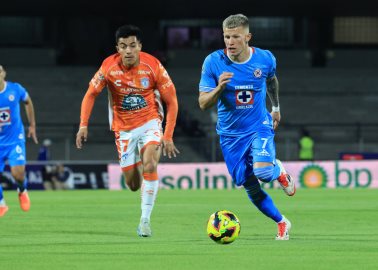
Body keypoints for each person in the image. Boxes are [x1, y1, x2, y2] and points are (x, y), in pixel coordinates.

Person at [76, 25, 179, 237]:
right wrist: (83, 124)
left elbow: (172, 101)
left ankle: (145, 220)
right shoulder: (108, 67)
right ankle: (143, 175)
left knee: (150, 163)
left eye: (133, 45)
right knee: (132, 184)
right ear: (118, 48)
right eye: (123, 46)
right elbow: (90, 94)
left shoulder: (153, 66)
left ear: (140, 46)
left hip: (150, 122)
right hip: (123, 130)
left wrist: (167, 135)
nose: (129, 50)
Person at [198, 14, 296, 240]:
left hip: (258, 125)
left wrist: (276, 107)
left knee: (263, 171)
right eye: (226, 37)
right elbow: (203, 103)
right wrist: (219, 87)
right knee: (250, 186)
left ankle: (278, 171)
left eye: (235, 37)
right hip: (230, 136)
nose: (230, 42)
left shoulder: (265, 59)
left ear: (247, 37)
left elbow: (271, 80)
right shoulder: (213, 62)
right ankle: (282, 222)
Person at [0, 64, 38, 217]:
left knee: (18, 174)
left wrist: (32, 125)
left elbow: (27, 102)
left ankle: (22, 190)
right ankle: (2, 203)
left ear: (4, 73)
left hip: (15, 139)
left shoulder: (15, 89)